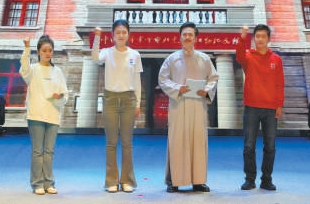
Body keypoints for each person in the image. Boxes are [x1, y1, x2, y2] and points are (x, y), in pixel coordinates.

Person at [158, 21, 219, 193]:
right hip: (178, 105)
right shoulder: (172, 59)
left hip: (198, 106)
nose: (187, 37)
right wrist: (178, 88)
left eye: (190, 34)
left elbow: (213, 78)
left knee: (198, 141)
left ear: (195, 37)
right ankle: (175, 181)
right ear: (180, 37)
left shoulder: (204, 59)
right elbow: (163, 79)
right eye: (184, 34)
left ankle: (198, 181)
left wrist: (205, 90)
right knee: (177, 141)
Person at [92, 20, 143, 193]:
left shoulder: (135, 55)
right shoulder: (106, 52)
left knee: (127, 143)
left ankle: (127, 180)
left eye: (124, 32)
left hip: (128, 99)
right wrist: (97, 37)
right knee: (111, 142)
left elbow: (137, 81)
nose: (121, 35)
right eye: (118, 32)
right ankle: (111, 181)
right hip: (110, 99)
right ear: (113, 35)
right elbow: (94, 58)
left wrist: (137, 103)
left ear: (128, 34)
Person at [236, 24, 284, 191]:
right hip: (252, 107)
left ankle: (266, 179)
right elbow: (239, 55)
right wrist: (243, 37)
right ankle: (250, 179)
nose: (261, 39)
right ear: (254, 38)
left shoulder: (276, 59)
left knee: (270, 146)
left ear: (269, 39)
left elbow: (280, 84)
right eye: (257, 36)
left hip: (271, 108)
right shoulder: (248, 56)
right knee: (249, 145)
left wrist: (279, 104)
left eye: (264, 36)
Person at [20, 35, 68, 195]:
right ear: (38, 52)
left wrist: (60, 97)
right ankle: (37, 183)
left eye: (50, 50)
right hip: (36, 115)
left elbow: (65, 93)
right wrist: (27, 48)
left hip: (53, 115)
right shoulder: (33, 69)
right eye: (44, 50)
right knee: (37, 151)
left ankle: (49, 182)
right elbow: (24, 69)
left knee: (49, 151)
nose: (48, 53)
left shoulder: (58, 71)